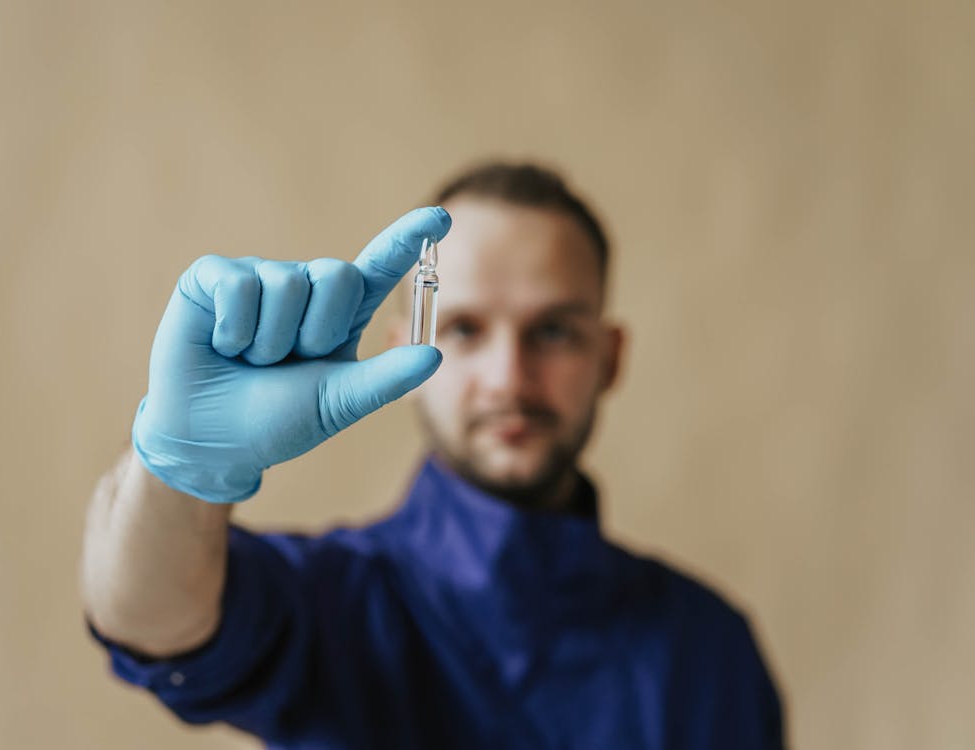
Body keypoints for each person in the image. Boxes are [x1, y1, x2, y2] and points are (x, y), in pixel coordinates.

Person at [81, 162, 785, 749]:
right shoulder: (335, 605)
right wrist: (180, 465)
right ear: (403, 343)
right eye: (466, 328)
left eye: (553, 332)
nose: (509, 378)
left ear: (609, 358)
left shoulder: (708, 651)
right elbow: (149, 617)